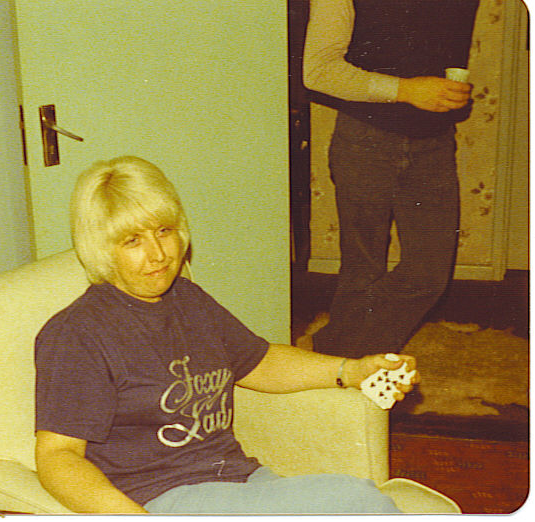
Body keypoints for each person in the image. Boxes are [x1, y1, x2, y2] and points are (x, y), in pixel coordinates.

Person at [34, 156, 419, 514]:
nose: (158, 254)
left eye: (164, 232)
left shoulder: (186, 298)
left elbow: (259, 361)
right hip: (162, 498)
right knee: (356, 500)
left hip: (240, 481)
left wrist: (350, 370)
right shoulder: (78, 335)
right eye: (132, 241)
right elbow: (57, 456)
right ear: (101, 249)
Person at [302, 0, 477, 358]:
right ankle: (347, 376)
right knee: (362, 271)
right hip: (365, 136)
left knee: (429, 274)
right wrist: (406, 90)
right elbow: (317, 71)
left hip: (435, 141)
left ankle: (328, 353)